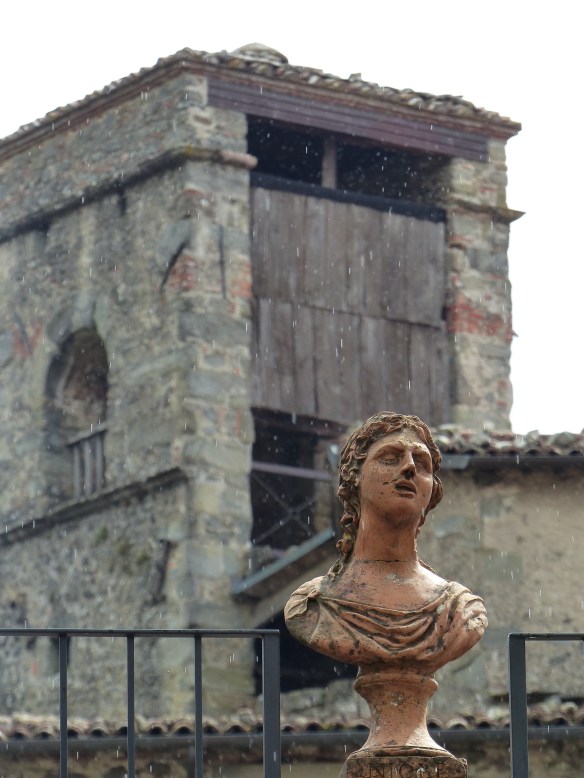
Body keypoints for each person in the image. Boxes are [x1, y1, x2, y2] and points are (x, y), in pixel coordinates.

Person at [285, 410, 487, 680]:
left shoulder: (460, 611)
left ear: (432, 492)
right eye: (390, 458)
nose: (409, 467)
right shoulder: (311, 605)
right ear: (354, 477)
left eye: (422, 463)